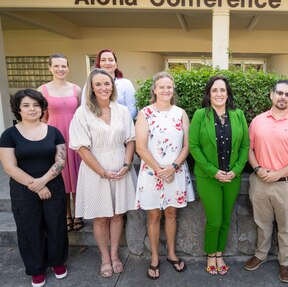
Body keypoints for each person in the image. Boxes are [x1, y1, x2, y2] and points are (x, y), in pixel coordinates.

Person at [244, 79, 288, 283]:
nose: (283, 97)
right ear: (271, 95)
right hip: (259, 182)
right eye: (279, 93)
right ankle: (260, 254)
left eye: (287, 94)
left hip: (286, 184)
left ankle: (285, 262)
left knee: (285, 227)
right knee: (262, 223)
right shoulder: (258, 121)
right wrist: (257, 168)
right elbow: (249, 149)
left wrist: (277, 174)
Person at [69, 68, 136, 278]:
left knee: (117, 215)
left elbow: (130, 140)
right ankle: (105, 258)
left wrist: (126, 165)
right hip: (95, 169)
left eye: (107, 84)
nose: (103, 88)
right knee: (100, 218)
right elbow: (81, 148)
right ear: (91, 88)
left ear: (113, 86)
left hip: (121, 167)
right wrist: (103, 172)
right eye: (98, 84)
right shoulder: (82, 113)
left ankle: (115, 255)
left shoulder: (122, 111)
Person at [0, 89, 68, 287]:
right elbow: (9, 167)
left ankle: (57, 262)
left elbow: (61, 161)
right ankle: (36, 268)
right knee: (29, 227)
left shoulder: (54, 131)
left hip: (53, 184)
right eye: (26, 105)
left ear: (42, 108)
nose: (32, 109)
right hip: (23, 188)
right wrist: (37, 186)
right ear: (18, 109)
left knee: (56, 225)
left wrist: (44, 181)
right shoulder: (9, 135)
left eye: (36, 105)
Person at [135, 71, 194, 280]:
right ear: (154, 89)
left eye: (169, 87)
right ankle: (154, 257)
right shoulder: (145, 113)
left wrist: (173, 167)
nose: (166, 90)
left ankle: (171, 253)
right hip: (152, 173)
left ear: (173, 89)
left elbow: (187, 145)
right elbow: (140, 147)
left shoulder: (181, 113)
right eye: (162, 87)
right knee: (153, 215)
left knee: (171, 213)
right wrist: (161, 170)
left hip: (175, 171)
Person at [189, 75, 249, 276]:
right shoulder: (200, 115)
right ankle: (210, 255)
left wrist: (237, 169)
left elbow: (245, 145)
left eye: (222, 90)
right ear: (209, 93)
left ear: (227, 93)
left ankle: (220, 253)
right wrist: (213, 172)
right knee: (214, 220)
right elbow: (194, 147)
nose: (219, 94)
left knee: (225, 219)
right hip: (209, 178)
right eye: (214, 90)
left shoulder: (238, 115)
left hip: (232, 177)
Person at [37, 53, 83, 232]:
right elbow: (43, 118)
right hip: (55, 136)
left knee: (77, 175)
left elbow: (81, 115)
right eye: (56, 66)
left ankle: (79, 213)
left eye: (63, 66)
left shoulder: (76, 89)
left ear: (68, 68)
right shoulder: (42, 90)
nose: (60, 69)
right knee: (61, 176)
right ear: (50, 68)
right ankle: (66, 214)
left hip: (74, 136)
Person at [81, 49, 137, 119]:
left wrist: (121, 125)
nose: (107, 63)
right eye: (103, 60)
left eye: (111, 60)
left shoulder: (126, 84)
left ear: (116, 64)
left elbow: (132, 109)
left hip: (122, 126)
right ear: (99, 64)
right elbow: (84, 106)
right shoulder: (89, 84)